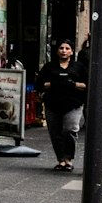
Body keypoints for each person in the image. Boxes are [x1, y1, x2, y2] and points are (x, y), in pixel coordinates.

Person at [33, 40, 88, 172]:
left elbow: (86, 85)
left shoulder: (79, 67)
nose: (64, 50)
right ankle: (61, 160)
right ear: (57, 51)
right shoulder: (49, 67)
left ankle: (69, 159)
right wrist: (53, 84)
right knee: (55, 133)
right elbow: (40, 84)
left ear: (72, 52)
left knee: (70, 129)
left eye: (67, 48)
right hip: (53, 104)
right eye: (61, 48)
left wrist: (72, 84)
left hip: (73, 104)